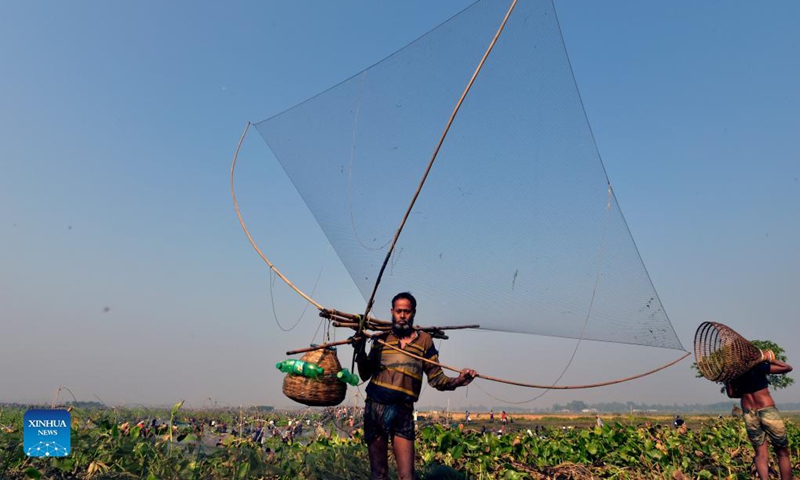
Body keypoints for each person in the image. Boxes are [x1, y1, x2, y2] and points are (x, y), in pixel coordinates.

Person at [355, 291, 477, 480]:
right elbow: (365, 373)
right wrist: (360, 350)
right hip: (375, 408)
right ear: (392, 312)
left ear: (413, 313)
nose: (402, 316)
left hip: (402, 410)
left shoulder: (424, 341)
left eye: (407, 311)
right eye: (398, 311)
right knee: (378, 474)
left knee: (407, 476)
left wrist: (458, 381)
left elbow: (437, 379)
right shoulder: (381, 339)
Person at [725, 350, 793, 480]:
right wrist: (770, 359)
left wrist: (729, 380)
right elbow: (787, 368)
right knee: (782, 452)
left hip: (749, 413)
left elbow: (732, 394)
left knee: (760, 454)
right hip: (767, 410)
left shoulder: (734, 374)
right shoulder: (758, 367)